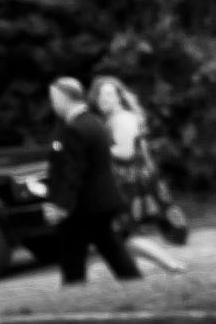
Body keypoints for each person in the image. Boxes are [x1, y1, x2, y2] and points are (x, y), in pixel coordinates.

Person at [41, 76, 142, 285]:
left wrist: (61, 206)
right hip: (99, 202)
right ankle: (133, 280)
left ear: (63, 98)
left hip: (85, 205)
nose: (53, 104)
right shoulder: (94, 123)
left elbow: (74, 171)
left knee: (74, 253)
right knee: (110, 246)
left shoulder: (76, 128)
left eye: (54, 98)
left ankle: (74, 289)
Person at [93, 74, 190, 273]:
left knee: (119, 233)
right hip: (129, 182)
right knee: (118, 233)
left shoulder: (122, 119)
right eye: (99, 95)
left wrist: (95, 149)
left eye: (109, 94)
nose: (103, 99)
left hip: (131, 184)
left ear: (119, 97)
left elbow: (125, 152)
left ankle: (170, 265)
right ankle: (159, 267)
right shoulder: (115, 119)